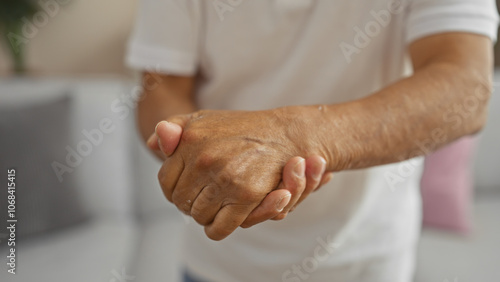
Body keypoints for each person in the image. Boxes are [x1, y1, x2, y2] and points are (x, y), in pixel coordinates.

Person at [126, 0, 499, 281]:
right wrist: (189, 151)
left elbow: (464, 88)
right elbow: (160, 89)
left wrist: (293, 137)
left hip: (369, 261)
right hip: (217, 264)